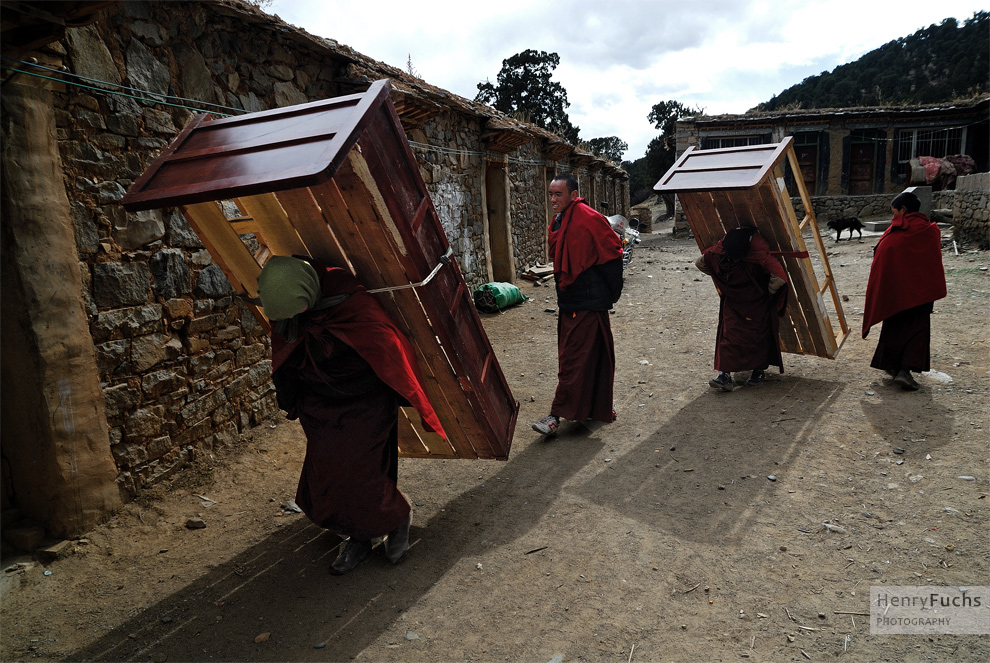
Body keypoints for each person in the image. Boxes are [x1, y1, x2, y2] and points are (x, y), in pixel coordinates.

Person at [257, 255, 445, 575]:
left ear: (308, 293)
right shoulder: (288, 302)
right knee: (326, 474)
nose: (291, 320)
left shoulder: (352, 303)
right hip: (318, 407)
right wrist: (289, 398)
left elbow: (388, 347)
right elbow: (283, 356)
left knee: (361, 475)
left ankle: (395, 519)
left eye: (296, 313)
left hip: (365, 402)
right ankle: (358, 535)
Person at [532, 174, 623, 436]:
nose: (553, 199)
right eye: (550, 194)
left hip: (588, 301)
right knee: (588, 357)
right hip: (570, 300)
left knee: (573, 359)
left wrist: (610, 295)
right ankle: (599, 407)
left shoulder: (588, 217)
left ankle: (555, 416)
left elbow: (612, 254)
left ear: (573, 195)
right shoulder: (559, 220)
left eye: (558, 194)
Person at [862, 191, 947, 390]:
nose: (893, 217)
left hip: (896, 294)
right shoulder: (931, 231)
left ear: (903, 210)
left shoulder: (895, 233)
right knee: (916, 330)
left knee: (894, 327)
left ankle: (897, 369)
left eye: (894, 213)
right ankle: (903, 370)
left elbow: (882, 257)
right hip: (922, 294)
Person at [695, 225, 788, 391]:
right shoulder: (725, 250)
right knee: (731, 336)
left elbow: (700, 263)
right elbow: (779, 278)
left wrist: (766, 293)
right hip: (742, 302)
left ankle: (757, 371)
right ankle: (725, 375)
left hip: (753, 303)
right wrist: (768, 291)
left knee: (747, 337)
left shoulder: (756, 252)